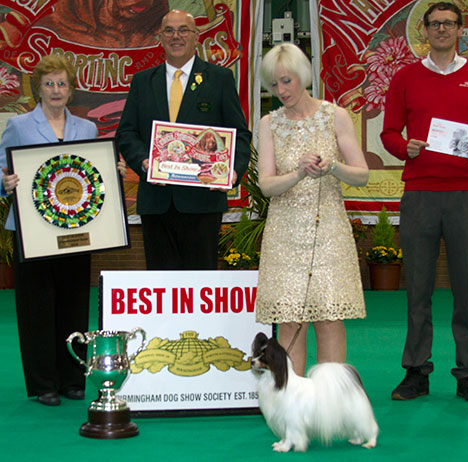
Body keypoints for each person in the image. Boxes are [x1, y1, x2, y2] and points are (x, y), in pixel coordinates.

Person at [380, 2, 468, 402]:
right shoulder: (405, 77)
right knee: (418, 289)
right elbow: (389, 133)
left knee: (467, 289)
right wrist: (404, 147)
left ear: (460, 30)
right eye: (435, 24)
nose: (442, 29)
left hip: (465, 193)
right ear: (424, 31)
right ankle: (416, 371)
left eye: (449, 24)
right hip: (419, 194)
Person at [255, 43, 369, 376]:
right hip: (285, 232)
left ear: (303, 76)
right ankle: (295, 413)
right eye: (273, 85)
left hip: (329, 229)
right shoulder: (269, 123)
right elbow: (266, 184)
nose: (281, 91)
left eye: (286, 81)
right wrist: (299, 173)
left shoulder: (336, 116)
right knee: (290, 321)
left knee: (329, 318)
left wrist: (333, 166)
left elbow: (361, 174)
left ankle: (331, 407)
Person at [116, 9, 251, 270]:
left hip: (203, 202)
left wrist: (232, 172)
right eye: (169, 30)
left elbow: (240, 134)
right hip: (156, 201)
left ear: (196, 37)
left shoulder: (220, 79)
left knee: (200, 285)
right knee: (160, 284)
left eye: (183, 30)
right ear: (160, 37)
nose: (176, 36)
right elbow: (127, 132)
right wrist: (144, 161)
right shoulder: (143, 81)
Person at [0, 55, 98, 406]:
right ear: (37, 89)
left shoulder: (87, 130)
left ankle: (73, 378)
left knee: (74, 303)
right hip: (32, 230)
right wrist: (4, 181)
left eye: (62, 84)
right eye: (49, 84)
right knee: (37, 306)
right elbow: (1, 167)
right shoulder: (19, 125)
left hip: (76, 231)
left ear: (71, 90)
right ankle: (43, 383)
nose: (56, 90)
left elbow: (93, 177)